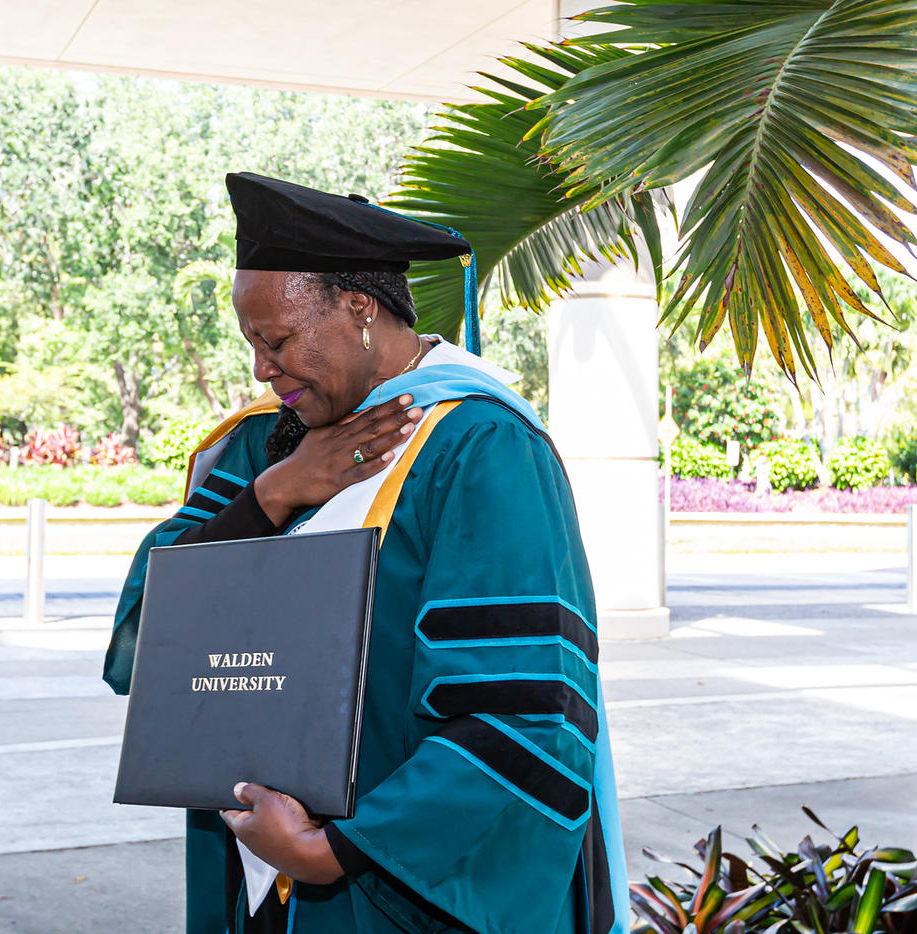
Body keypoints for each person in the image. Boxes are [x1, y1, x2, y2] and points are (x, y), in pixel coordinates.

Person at [104, 173, 628, 934]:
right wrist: (274, 495)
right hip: (247, 883)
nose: (261, 368)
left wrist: (340, 849)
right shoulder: (261, 446)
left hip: (390, 891)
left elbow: (529, 709)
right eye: (251, 343)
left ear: (359, 309)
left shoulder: (481, 448)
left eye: (276, 340)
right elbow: (143, 645)